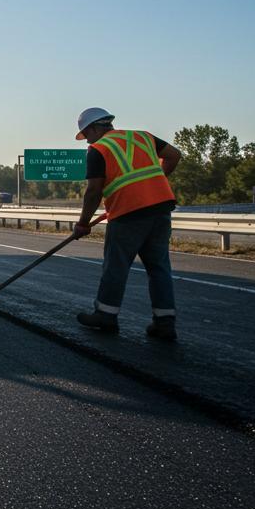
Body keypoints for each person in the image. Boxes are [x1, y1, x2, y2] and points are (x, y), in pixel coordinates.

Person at [71, 107, 183, 340]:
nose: (86, 140)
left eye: (85, 134)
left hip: (128, 213)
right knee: (159, 267)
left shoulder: (98, 150)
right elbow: (174, 156)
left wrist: (83, 223)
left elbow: (93, 191)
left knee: (116, 265)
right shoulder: (142, 136)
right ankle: (165, 324)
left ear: (93, 129)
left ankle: (105, 316)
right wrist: (155, 183)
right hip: (161, 208)